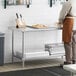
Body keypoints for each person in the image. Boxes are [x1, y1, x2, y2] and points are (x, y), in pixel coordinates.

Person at [58, 0, 76, 64]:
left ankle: (68, 61)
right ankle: (74, 59)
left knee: (67, 41)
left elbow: (63, 13)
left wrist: (60, 21)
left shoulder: (68, 3)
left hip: (69, 21)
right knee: (74, 42)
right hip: (75, 22)